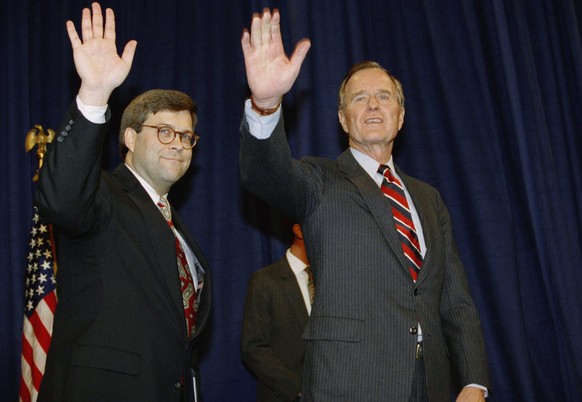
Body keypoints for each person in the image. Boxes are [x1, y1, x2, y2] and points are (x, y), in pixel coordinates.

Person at [239, 8, 490, 402]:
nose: (373, 105)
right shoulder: (319, 180)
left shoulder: (428, 197)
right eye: (360, 98)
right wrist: (266, 104)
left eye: (383, 97)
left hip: (434, 384)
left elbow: (455, 299)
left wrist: (474, 381)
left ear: (400, 116)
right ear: (343, 119)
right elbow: (265, 176)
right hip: (352, 382)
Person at [35, 3, 211, 401]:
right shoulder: (102, 196)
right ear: (130, 139)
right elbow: (60, 201)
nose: (179, 145)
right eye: (165, 131)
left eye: (186, 137)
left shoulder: (176, 228)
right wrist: (94, 95)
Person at [241, 222, 312, 402]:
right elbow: (253, 348)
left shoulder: (327, 280)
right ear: (298, 230)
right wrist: (299, 390)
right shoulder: (265, 280)